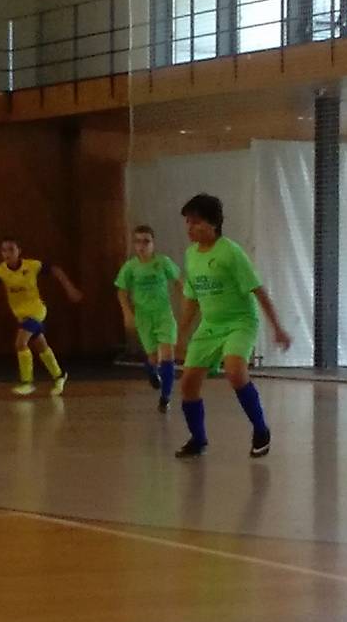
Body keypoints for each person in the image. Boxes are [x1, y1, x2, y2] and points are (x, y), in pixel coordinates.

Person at [173, 194, 291, 459]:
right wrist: (181, 334)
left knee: (235, 371)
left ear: (213, 224)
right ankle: (198, 440)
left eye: (196, 222)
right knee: (188, 384)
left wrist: (278, 328)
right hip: (210, 325)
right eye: (187, 222)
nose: (190, 228)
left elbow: (258, 290)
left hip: (240, 322)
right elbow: (191, 299)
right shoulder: (191, 255)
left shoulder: (230, 252)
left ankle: (261, 430)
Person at [0, 237, 82, 396]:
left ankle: (27, 382)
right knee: (41, 345)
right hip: (21, 314)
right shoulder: (0, 271)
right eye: (4, 250)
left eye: (11, 249)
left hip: (36, 310)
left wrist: (70, 288)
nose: (7, 253)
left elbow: (56, 270)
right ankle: (59, 376)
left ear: (19, 251)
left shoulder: (32, 265)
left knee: (20, 343)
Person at [114, 224, 182, 413]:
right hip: (143, 317)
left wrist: (187, 301)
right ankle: (152, 371)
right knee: (153, 357)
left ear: (153, 243)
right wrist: (127, 313)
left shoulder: (163, 262)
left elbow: (178, 282)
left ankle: (165, 397)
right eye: (138, 242)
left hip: (163, 314)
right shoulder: (130, 267)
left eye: (146, 241)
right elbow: (121, 291)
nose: (142, 246)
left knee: (167, 354)